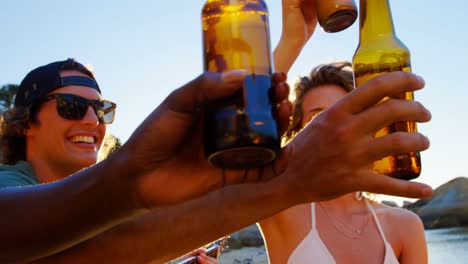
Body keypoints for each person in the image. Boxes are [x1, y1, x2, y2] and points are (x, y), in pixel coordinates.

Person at [0, 1, 432, 264]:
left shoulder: (402, 226)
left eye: (103, 109)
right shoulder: (12, 193)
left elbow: (121, 245)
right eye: (74, 107)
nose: (93, 121)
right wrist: (131, 180)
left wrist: (292, 41)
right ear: (25, 122)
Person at [258, 61, 428, 264]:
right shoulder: (280, 211)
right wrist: (292, 40)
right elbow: (248, 109)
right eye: (318, 119)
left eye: (346, 116)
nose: (335, 129)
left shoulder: (405, 225)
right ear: (297, 134)